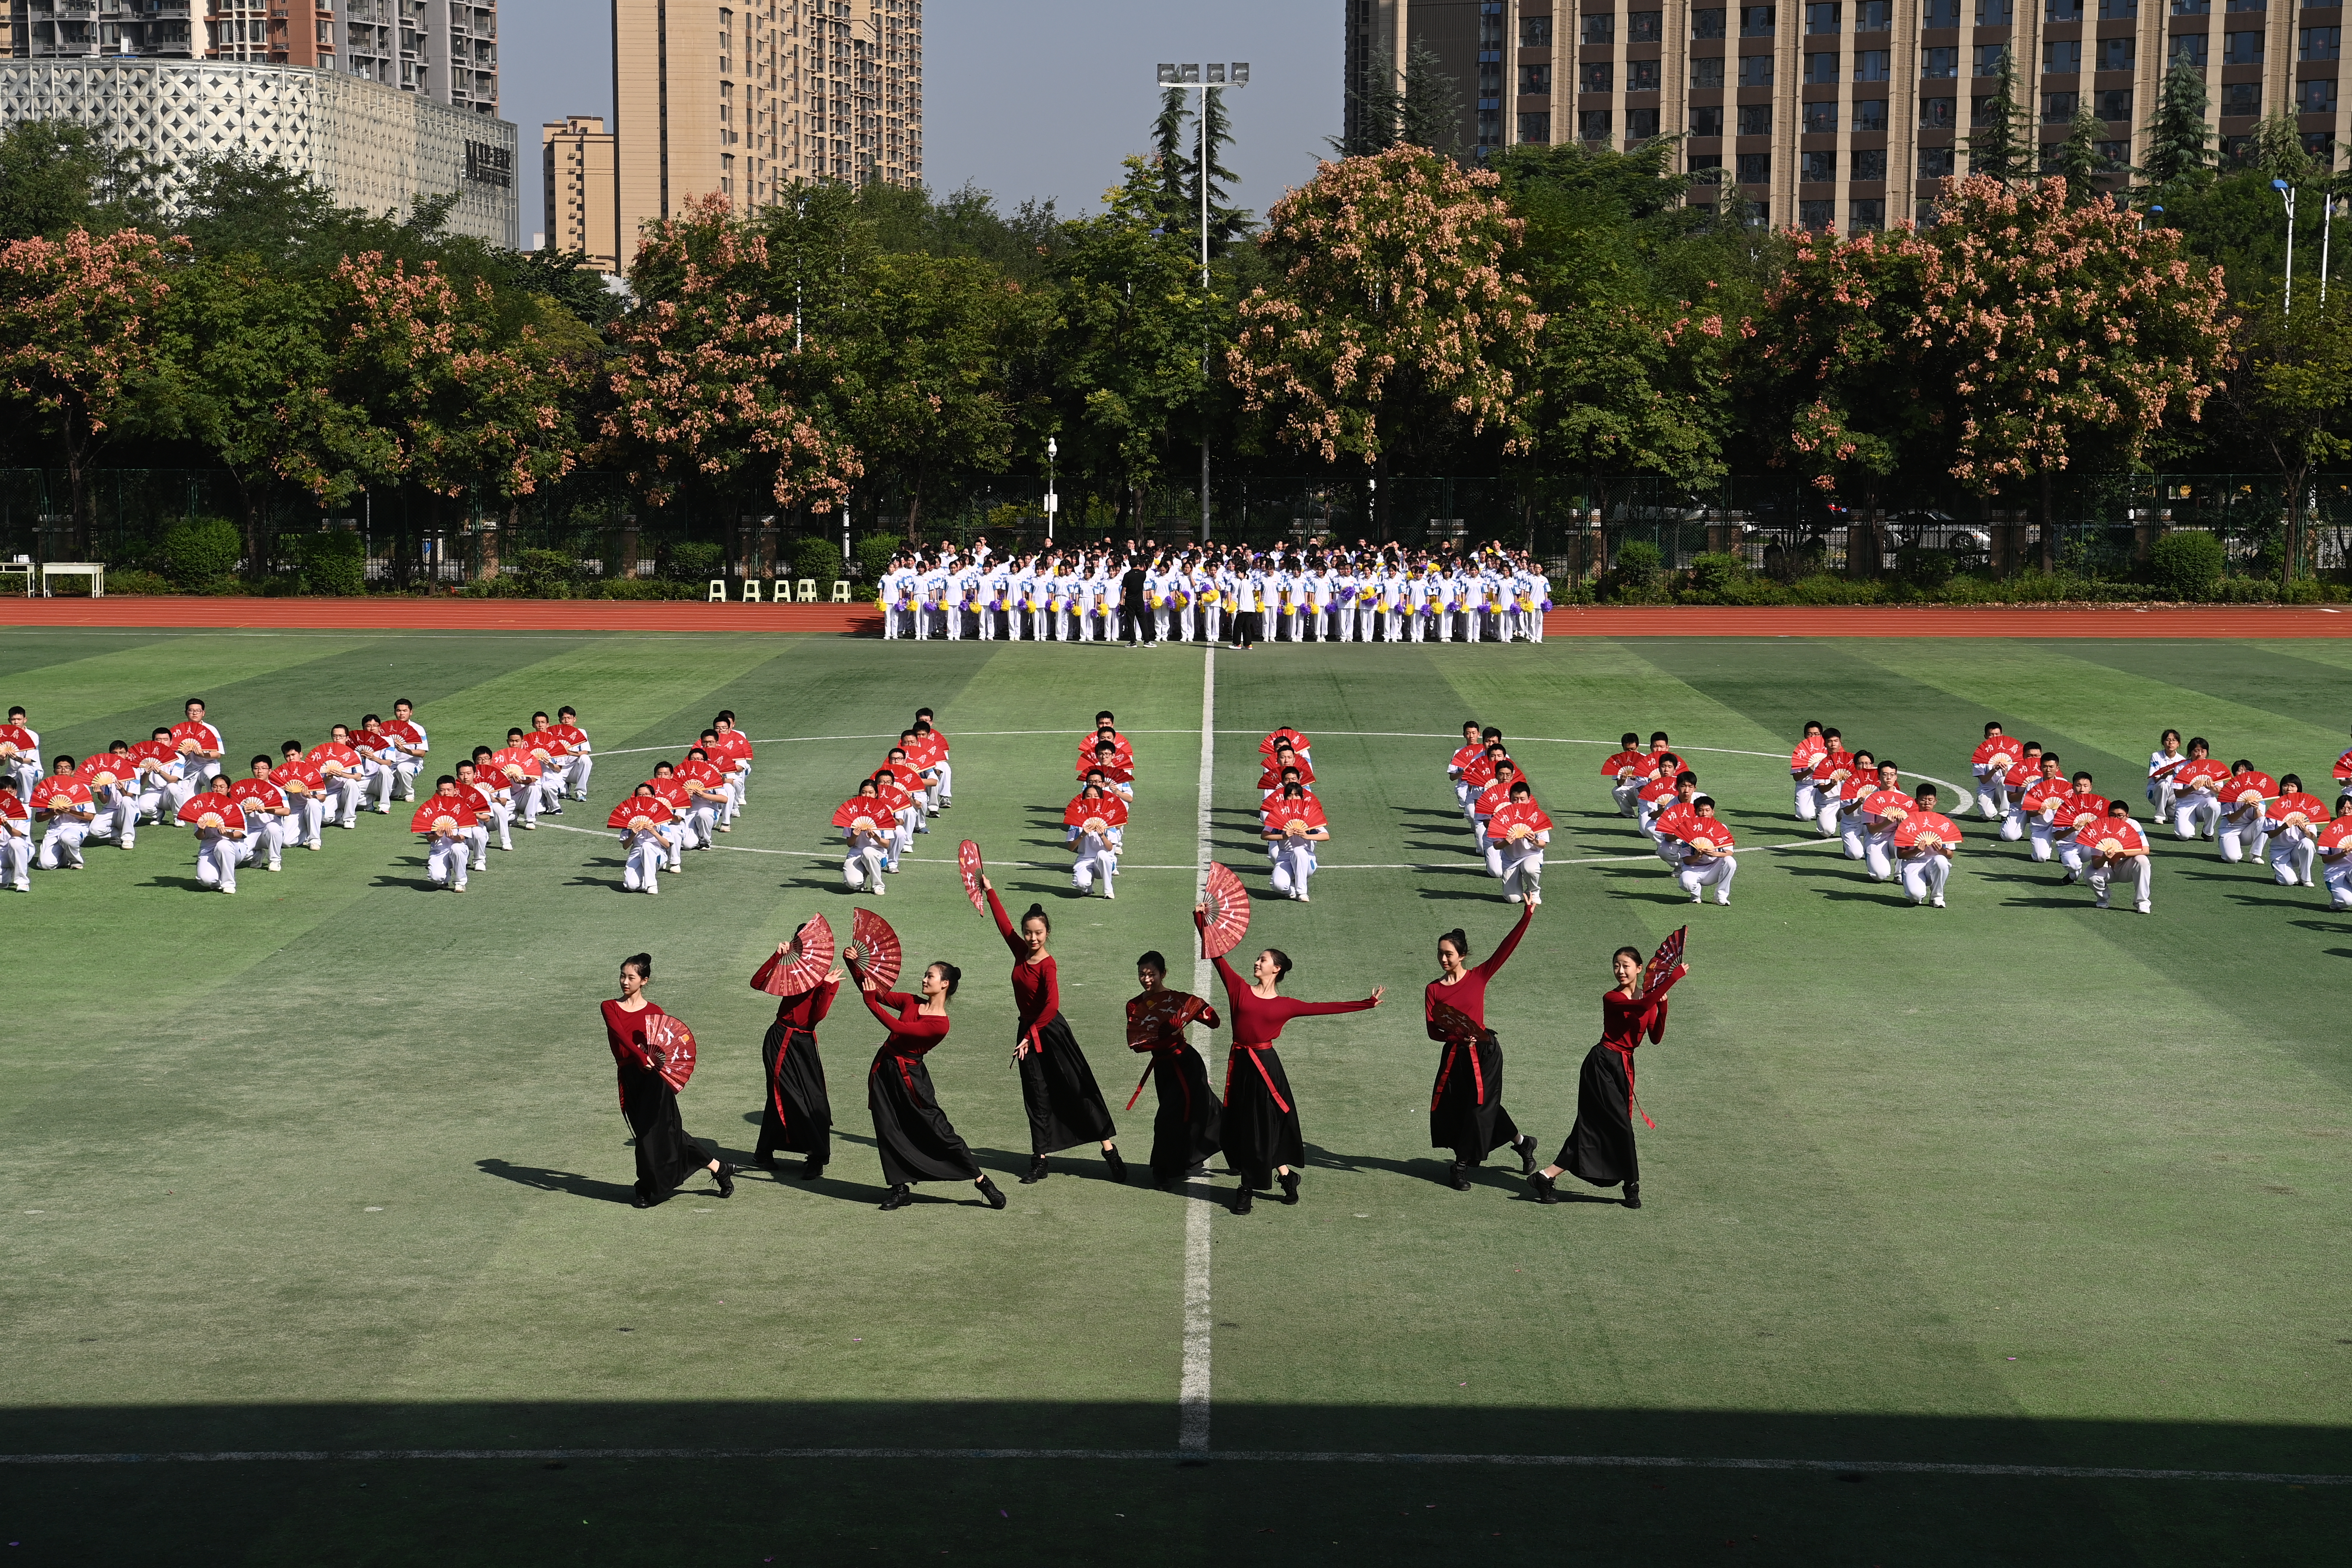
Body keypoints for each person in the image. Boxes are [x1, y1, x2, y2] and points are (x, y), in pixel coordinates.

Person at [1195, 903, 1384, 1214]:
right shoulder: (1239, 989)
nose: (1257, 962)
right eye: (1258, 959)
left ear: (1277, 969)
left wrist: (1366, 1004)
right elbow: (1215, 953)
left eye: (1263, 960)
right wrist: (1200, 917)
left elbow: (1324, 1008)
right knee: (1246, 1127)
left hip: (1267, 1071)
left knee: (1261, 1128)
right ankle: (1287, 1177)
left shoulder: (1286, 1005)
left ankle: (1246, 1189)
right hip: (1241, 1067)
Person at [983, 880, 1124, 1183]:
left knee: (1077, 1090)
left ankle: (1110, 1151)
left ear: (1047, 933)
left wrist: (1028, 1035)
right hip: (1028, 1034)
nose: (1033, 938)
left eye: (1039, 933)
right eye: (1029, 932)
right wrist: (990, 890)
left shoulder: (1049, 965)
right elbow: (1004, 925)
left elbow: (1051, 1006)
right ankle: (1040, 1160)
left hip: (1051, 1033)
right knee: (1036, 1097)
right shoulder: (1021, 952)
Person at [1529, 946, 1689, 1210]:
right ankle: (1632, 1186)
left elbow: (1656, 1037)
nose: (1620, 971)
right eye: (1616, 965)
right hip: (1602, 1065)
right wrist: (1673, 979)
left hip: (1623, 1067)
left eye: (1626, 965)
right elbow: (1642, 1005)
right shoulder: (1612, 997)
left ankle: (1544, 1177)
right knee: (1621, 1126)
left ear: (1639, 969)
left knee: (1592, 1127)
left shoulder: (1649, 998)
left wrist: (1665, 1004)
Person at [854, 950, 1006, 1212]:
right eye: (926, 975)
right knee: (887, 1128)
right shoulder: (912, 1002)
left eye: (930, 976)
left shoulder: (940, 1024)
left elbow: (900, 1029)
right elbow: (876, 991)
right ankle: (899, 1189)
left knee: (940, 1131)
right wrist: (854, 962)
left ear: (944, 984)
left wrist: (871, 1004)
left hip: (911, 1079)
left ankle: (981, 1181)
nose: (924, 979)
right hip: (885, 1070)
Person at [601, 953, 734, 1208]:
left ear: (645, 981)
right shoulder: (610, 1006)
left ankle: (644, 1190)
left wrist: (655, 1064)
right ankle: (719, 1167)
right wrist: (641, 1057)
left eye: (632, 977)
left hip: (654, 1081)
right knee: (648, 1134)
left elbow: (668, 1048)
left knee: (656, 1134)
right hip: (631, 1077)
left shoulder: (655, 1013)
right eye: (622, 976)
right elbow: (619, 1035)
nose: (625, 982)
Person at [1425, 905, 1541, 1192]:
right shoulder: (1433, 990)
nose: (1443, 959)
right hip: (1455, 1056)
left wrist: (1526, 915)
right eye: (1440, 953)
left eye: (1449, 954)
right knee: (1468, 1108)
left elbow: (1506, 948)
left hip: (1485, 1054)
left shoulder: (1479, 976)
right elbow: (1432, 1030)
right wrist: (1457, 1040)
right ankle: (1524, 1144)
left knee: (1478, 1109)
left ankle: (1460, 1167)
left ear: (1462, 956)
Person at [749, 921, 844, 1178]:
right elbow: (757, 983)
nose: (803, 947)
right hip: (781, 1041)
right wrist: (776, 956)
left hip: (804, 1043)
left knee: (810, 1100)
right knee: (788, 1096)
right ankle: (816, 1156)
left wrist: (828, 986)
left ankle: (765, 1151)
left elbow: (816, 1018)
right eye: (799, 942)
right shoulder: (791, 970)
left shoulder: (822, 976)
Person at [1124, 950, 1223, 1189]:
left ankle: (1235, 1153)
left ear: (1163, 974)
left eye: (1151, 974)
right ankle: (1163, 1168)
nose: (1146, 979)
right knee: (1169, 1116)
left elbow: (1214, 1021)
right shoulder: (1134, 1006)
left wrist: (1200, 1011)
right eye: (1142, 975)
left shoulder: (1178, 999)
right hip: (1165, 1068)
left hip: (1188, 1063)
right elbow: (1140, 1044)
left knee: (1208, 1108)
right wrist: (1168, 1036)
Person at [184, 774, 253, 893]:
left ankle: (229, 884)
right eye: (215, 787)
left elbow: (241, 834)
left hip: (233, 846)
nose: (218, 790)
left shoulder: (236, 808)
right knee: (205, 880)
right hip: (209, 847)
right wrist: (201, 829)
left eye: (222, 787)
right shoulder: (203, 808)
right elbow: (199, 836)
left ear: (229, 789)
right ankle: (221, 878)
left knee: (223, 845)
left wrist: (227, 834)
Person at [2083, 801, 2153, 915]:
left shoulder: (2133, 825)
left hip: (2126, 867)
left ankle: (2142, 902)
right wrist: (2105, 858)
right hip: (2107, 869)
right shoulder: (2100, 827)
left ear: (2127, 816)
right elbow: (2096, 864)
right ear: (2108, 815)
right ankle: (2103, 898)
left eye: (2120, 816)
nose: (2116, 819)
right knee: (2090, 874)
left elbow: (2146, 850)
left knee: (2143, 860)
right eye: (2112, 815)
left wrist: (2120, 854)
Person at [1264, 782, 1327, 902]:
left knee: (1299, 851)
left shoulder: (1310, 814)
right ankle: (1292, 890)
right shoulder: (1278, 813)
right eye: (1290, 795)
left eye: (1297, 795)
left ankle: (1302, 893)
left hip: (1306, 859)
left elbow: (1326, 835)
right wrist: (1283, 837)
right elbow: (1265, 835)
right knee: (1278, 886)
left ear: (1302, 798)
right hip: (1285, 857)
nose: (1294, 798)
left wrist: (1307, 836)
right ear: (1285, 798)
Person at [1897, 783, 1957, 908]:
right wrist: (1916, 851)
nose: (1927, 803)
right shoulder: (1908, 823)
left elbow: (1950, 855)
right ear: (1916, 801)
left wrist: (1941, 850)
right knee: (1915, 897)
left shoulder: (1943, 823)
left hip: (1932, 864)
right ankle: (1916, 889)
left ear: (1936, 801)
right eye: (1923, 800)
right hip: (1913, 862)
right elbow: (1900, 854)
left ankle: (1937, 897)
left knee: (1941, 860)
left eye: (1930, 800)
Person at [33, 756, 95, 872]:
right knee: (45, 865)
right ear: (54, 771)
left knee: (67, 837)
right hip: (55, 829)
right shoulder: (47, 789)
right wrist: (53, 813)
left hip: (77, 827)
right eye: (59, 768)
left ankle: (76, 861)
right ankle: (65, 857)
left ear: (73, 772)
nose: (63, 770)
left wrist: (70, 812)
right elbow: (38, 818)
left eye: (67, 768)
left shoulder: (82, 788)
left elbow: (90, 817)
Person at [1671, 797, 1736, 906]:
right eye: (1701, 810)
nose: (1704, 814)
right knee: (1686, 884)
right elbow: (1686, 860)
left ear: (1713, 812)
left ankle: (1721, 896)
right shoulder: (1689, 829)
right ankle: (1696, 894)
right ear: (1696, 812)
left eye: (1708, 810)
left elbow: (1729, 852)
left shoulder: (1721, 827)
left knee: (1730, 861)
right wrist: (1696, 857)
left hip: (1714, 867)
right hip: (1694, 868)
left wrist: (1715, 854)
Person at [1790, 721, 1829, 821]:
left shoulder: (1829, 749)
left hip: (1825, 785)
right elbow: (1796, 777)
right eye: (1810, 734)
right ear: (1805, 735)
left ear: (1821, 735)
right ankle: (1814, 807)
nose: (1813, 737)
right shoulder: (1800, 752)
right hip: (1806, 786)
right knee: (1805, 816)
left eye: (1816, 734)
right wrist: (1810, 770)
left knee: (1840, 815)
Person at [2146, 730, 2188, 819]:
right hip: (2154, 793)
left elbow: (2182, 784)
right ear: (2163, 742)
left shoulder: (2182, 760)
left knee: (2174, 818)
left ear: (2179, 744)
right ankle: (2160, 816)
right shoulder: (2156, 756)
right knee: (2163, 784)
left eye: (2174, 740)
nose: (2171, 743)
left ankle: (2170, 810)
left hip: (2172, 795)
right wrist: (2166, 775)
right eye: (2168, 740)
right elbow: (2156, 780)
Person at [0, 781, 29, 891]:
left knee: (15, 842)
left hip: (21, 850)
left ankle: (22, 882)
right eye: (4, 792)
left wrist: (6, 825)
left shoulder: (24, 808)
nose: (8, 795)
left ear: (16, 792)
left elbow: (19, 835)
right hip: (2, 852)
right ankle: (5, 878)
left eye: (11, 792)